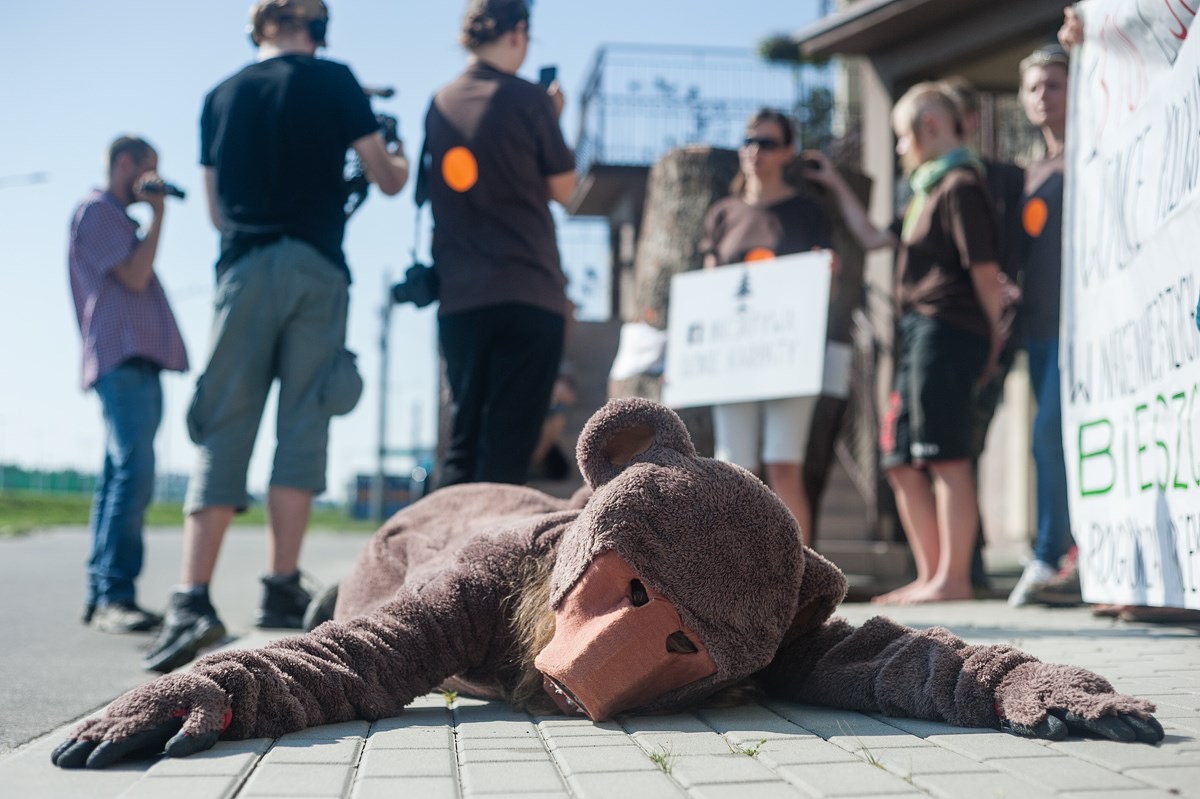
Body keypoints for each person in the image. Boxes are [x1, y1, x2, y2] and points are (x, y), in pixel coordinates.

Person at [52, 399, 1164, 771]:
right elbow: (358, 658)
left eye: (682, 648)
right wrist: (219, 686)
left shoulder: (755, 612)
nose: (604, 657)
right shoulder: (488, 575)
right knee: (349, 608)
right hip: (427, 534)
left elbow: (888, 656)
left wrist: (1018, 679)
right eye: (623, 595)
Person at [142, 0, 409, 673]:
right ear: (317, 29)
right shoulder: (337, 80)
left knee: (224, 421)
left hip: (242, 270)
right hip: (317, 268)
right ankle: (280, 587)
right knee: (304, 419)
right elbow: (387, 179)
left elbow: (214, 211)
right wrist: (395, 149)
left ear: (256, 26)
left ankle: (191, 598)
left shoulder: (219, 96)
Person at [804, 83, 1008, 605]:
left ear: (929, 127)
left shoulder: (961, 185)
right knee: (898, 459)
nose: (899, 149)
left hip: (949, 330)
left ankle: (953, 579)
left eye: (901, 137)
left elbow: (985, 272)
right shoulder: (924, 190)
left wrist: (993, 339)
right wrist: (835, 183)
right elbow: (876, 237)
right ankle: (931, 573)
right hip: (917, 333)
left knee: (946, 456)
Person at [424, 0, 577, 488]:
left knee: (463, 437)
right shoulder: (530, 99)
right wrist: (553, 116)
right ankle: (495, 540)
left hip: (461, 296)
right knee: (508, 444)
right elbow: (565, 189)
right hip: (527, 291)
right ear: (518, 33)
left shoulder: (440, 102)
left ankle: (448, 536)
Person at [68, 135, 189, 634]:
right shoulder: (98, 211)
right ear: (125, 164)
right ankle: (114, 596)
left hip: (136, 363)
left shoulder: (117, 219)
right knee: (135, 474)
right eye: (147, 169)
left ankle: (103, 595)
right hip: (123, 361)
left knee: (119, 476)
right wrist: (159, 215)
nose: (152, 180)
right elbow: (137, 277)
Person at [699, 108, 835, 544]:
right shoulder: (723, 213)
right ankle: (733, 572)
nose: (755, 151)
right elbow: (709, 289)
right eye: (749, 141)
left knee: (783, 463)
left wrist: (826, 271)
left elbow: (822, 283)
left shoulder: (808, 212)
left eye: (768, 142)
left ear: (788, 152)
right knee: (732, 467)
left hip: (788, 355)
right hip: (732, 357)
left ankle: (798, 572)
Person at [940, 75, 1026, 592]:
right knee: (954, 449)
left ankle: (968, 569)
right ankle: (965, 566)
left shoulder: (1002, 178)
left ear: (970, 120)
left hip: (990, 331)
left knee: (967, 444)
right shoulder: (929, 181)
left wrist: (1004, 297)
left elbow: (1009, 246)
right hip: (949, 332)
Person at [1004, 44, 1076, 607]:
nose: (1042, 96)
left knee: (1049, 434)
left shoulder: (1096, 156)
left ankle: (1051, 553)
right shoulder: (1029, 173)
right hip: (1040, 328)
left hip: (1086, 326)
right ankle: (1061, 553)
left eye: (1054, 83)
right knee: (1050, 438)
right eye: (1033, 86)